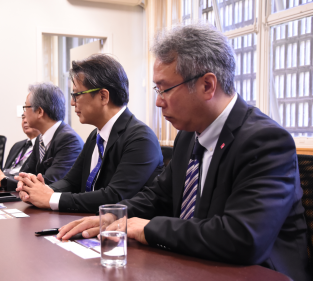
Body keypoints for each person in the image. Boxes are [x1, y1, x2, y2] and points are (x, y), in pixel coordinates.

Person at [55, 24, 311, 281]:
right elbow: (157, 197)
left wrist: (150, 228)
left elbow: (243, 237)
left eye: (165, 89)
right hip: (198, 264)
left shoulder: (265, 141)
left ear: (208, 85)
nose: (158, 101)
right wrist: (115, 214)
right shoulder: (188, 136)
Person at [15, 54, 164, 213]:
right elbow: (71, 182)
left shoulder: (140, 139)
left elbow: (114, 197)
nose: (72, 102)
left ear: (103, 96)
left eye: (76, 94)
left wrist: (50, 198)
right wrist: (40, 189)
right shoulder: (96, 136)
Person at [0, 83, 83, 191]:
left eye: (26, 107)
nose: (24, 113)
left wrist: (3, 180)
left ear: (39, 111)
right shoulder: (40, 139)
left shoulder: (69, 140)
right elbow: (24, 175)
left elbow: (49, 183)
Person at [0, 114, 40, 190]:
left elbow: (34, 178)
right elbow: (7, 170)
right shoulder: (17, 145)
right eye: (23, 118)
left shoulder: (43, 147)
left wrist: (4, 180)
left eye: (28, 117)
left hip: (19, 192)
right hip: (4, 189)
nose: (24, 121)